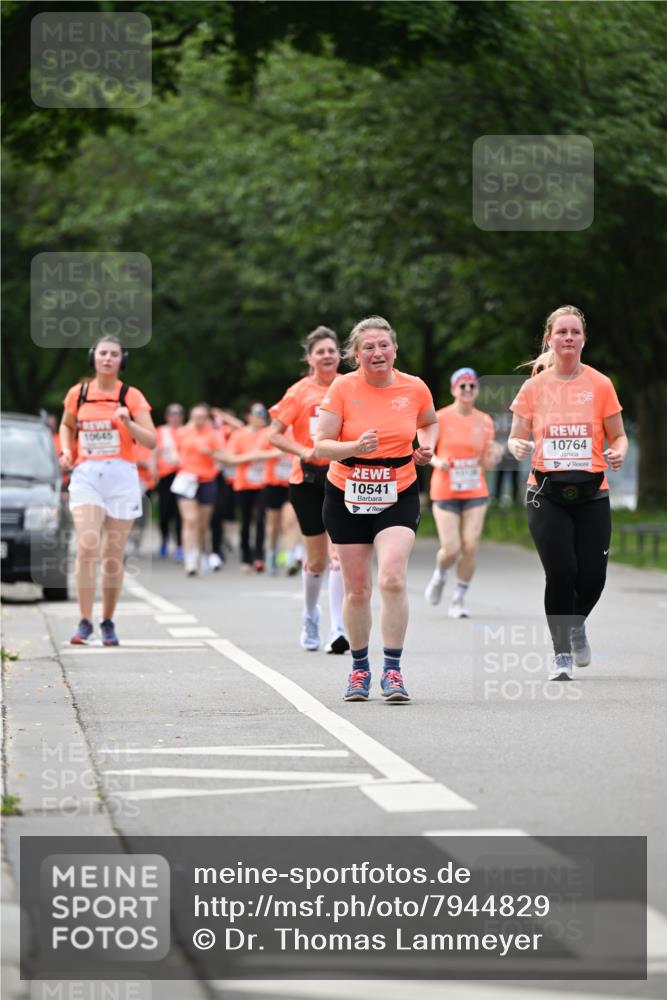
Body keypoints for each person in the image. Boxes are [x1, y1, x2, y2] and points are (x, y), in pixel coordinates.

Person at [316, 316, 438, 702]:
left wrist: (426, 447)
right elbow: (321, 445)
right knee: (357, 589)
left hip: (398, 491)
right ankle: (359, 669)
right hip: (346, 493)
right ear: (356, 355)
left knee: (393, 578)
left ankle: (393, 670)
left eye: (383, 345)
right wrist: (353, 447)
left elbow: (429, 422)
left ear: (395, 350)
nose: (377, 352)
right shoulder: (342, 387)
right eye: (368, 347)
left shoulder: (414, 387)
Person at [508, 305, 627, 681]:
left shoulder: (600, 384)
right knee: (561, 571)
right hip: (546, 493)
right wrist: (517, 446)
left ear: (584, 339)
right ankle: (561, 653)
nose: (569, 338)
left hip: (592, 494)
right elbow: (515, 436)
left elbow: (619, 436)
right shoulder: (533, 388)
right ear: (550, 338)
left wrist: (618, 452)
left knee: (592, 579)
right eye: (562, 332)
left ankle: (575, 624)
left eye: (575, 332)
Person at [59, 337, 156, 645]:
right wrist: (66, 450)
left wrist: (128, 423)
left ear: (121, 360)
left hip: (121, 476)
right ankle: (84, 621)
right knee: (87, 545)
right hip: (87, 475)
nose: (108, 358)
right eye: (103, 353)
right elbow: (66, 425)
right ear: (93, 357)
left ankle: (108, 621)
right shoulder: (79, 394)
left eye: (114, 354)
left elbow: (151, 440)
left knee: (112, 555)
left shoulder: (131, 396)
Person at [269, 326, 349, 653]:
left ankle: (338, 628)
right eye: (320, 351)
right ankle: (310, 615)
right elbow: (273, 434)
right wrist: (302, 450)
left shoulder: (350, 385)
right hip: (307, 480)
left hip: (343, 478)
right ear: (310, 358)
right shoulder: (299, 392)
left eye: (331, 350)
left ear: (339, 355)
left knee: (339, 555)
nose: (327, 356)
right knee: (316, 560)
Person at [424, 367, 501, 618]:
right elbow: (426, 451)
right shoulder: (440, 417)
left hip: (475, 490)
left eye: (472, 385)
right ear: (453, 389)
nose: (467, 389)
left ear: (477, 390)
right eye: (462, 385)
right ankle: (440, 575)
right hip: (445, 490)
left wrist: (493, 455)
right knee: (451, 548)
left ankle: (458, 598)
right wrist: (438, 462)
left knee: (470, 546)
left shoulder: (485, 420)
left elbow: (487, 461)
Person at [172, 403, 221, 576]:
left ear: (207, 418)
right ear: (191, 417)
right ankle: (190, 560)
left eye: (202, 417)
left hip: (207, 480)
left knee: (202, 524)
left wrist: (210, 453)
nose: (199, 420)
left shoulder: (213, 434)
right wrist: (176, 459)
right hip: (187, 479)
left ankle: (198, 551)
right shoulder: (182, 432)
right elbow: (175, 451)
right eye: (196, 416)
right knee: (190, 520)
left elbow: (223, 455)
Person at [228, 403, 277, 573]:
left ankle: (259, 556)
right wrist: (250, 456)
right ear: (248, 416)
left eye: (262, 414)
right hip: (243, 483)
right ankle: (245, 557)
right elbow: (230, 458)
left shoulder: (269, 433)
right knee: (246, 521)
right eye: (256, 414)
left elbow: (279, 452)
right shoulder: (239, 434)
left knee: (261, 520)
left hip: (264, 482)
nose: (260, 418)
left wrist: (261, 455)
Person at [154, 404, 184, 560]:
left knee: (181, 512)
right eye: (172, 414)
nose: (175, 417)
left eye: (178, 414)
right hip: (165, 476)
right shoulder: (161, 431)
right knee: (164, 511)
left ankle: (180, 544)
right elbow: (154, 452)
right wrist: (153, 472)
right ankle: (165, 538)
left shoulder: (186, 431)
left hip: (181, 475)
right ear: (167, 416)